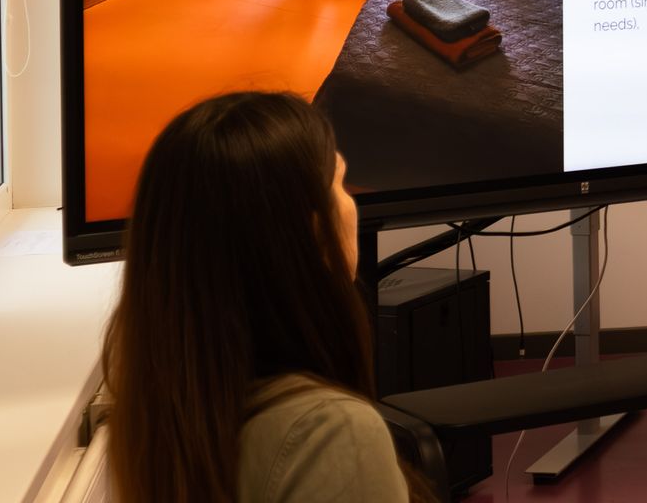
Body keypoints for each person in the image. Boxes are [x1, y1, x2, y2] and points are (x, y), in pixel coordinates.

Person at [102, 91, 425, 502]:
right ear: (309, 233)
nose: (351, 204)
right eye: (340, 184)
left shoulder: (160, 416)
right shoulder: (330, 433)